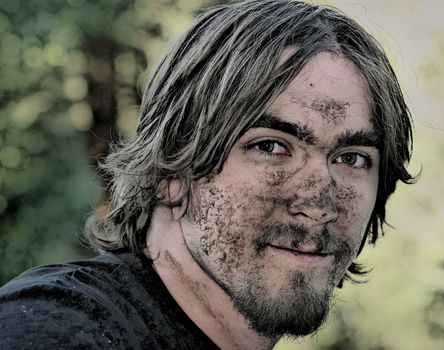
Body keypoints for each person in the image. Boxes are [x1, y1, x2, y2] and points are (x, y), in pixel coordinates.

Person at [0, 0, 415, 349]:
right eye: (269, 146)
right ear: (172, 169)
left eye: (353, 158)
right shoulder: (56, 329)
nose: (319, 203)